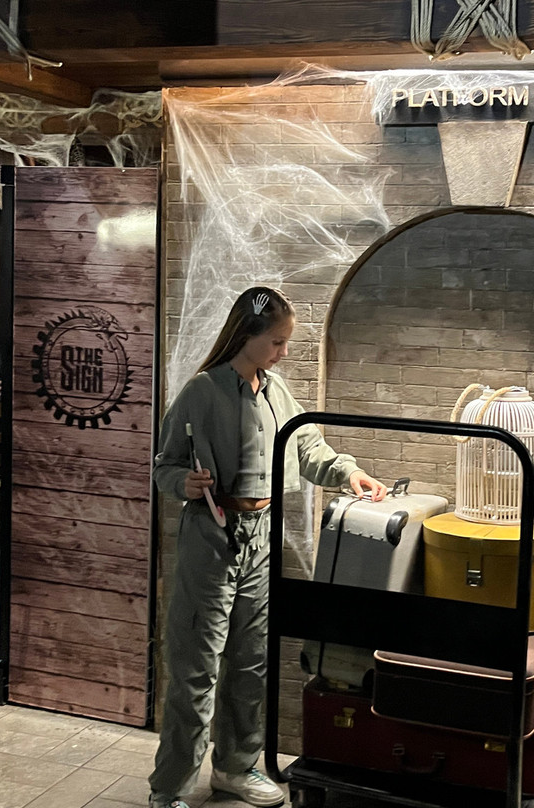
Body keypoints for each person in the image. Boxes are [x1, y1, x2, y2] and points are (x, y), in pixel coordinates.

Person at [148, 286, 387, 808]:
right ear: (247, 334)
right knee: (196, 669)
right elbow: (164, 464)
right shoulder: (202, 391)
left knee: (251, 662)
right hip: (211, 536)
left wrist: (350, 472)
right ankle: (169, 790)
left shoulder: (276, 392)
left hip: (262, 537)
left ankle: (235, 768)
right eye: (276, 342)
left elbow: (308, 447)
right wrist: (183, 482)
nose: (283, 351)